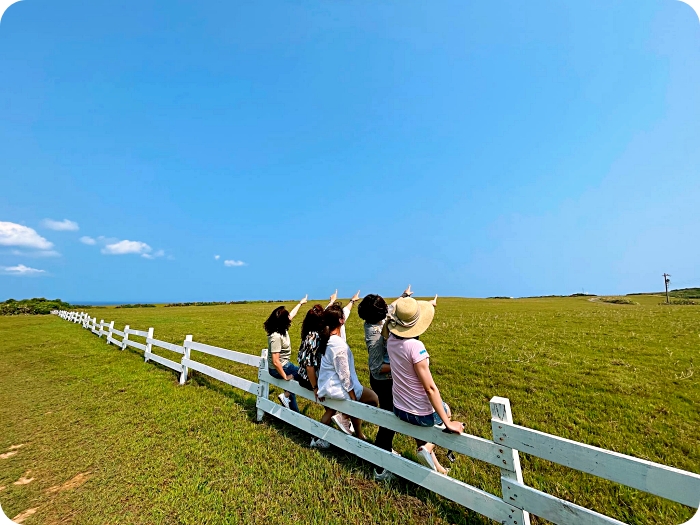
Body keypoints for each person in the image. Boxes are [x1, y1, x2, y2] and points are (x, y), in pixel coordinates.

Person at [385, 295, 464, 475]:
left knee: (419, 424)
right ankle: (428, 447)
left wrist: (427, 304)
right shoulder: (415, 346)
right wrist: (448, 423)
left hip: (400, 409)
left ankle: (439, 469)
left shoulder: (390, 340)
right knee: (446, 409)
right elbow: (430, 388)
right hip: (420, 414)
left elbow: (394, 317)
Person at [357, 285, 413, 481]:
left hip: (389, 379)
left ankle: (385, 449)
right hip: (382, 381)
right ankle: (380, 467)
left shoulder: (379, 317)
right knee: (390, 419)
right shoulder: (373, 332)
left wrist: (403, 296)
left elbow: (390, 307)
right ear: (378, 315)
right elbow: (376, 368)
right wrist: (404, 364)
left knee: (391, 417)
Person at [316, 303, 379, 446]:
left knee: (332, 410)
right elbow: (344, 375)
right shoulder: (339, 345)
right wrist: (352, 395)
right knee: (373, 399)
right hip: (338, 389)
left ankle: (319, 437)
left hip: (327, 386)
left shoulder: (326, 340)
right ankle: (351, 425)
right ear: (341, 321)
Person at [264, 295, 308, 412]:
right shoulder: (276, 337)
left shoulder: (281, 328)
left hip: (284, 364)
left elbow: (291, 315)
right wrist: (285, 376)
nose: (289, 318)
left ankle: (294, 412)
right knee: (303, 373)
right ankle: (286, 395)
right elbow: (275, 361)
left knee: (292, 384)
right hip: (278, 367)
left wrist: (300, 303)